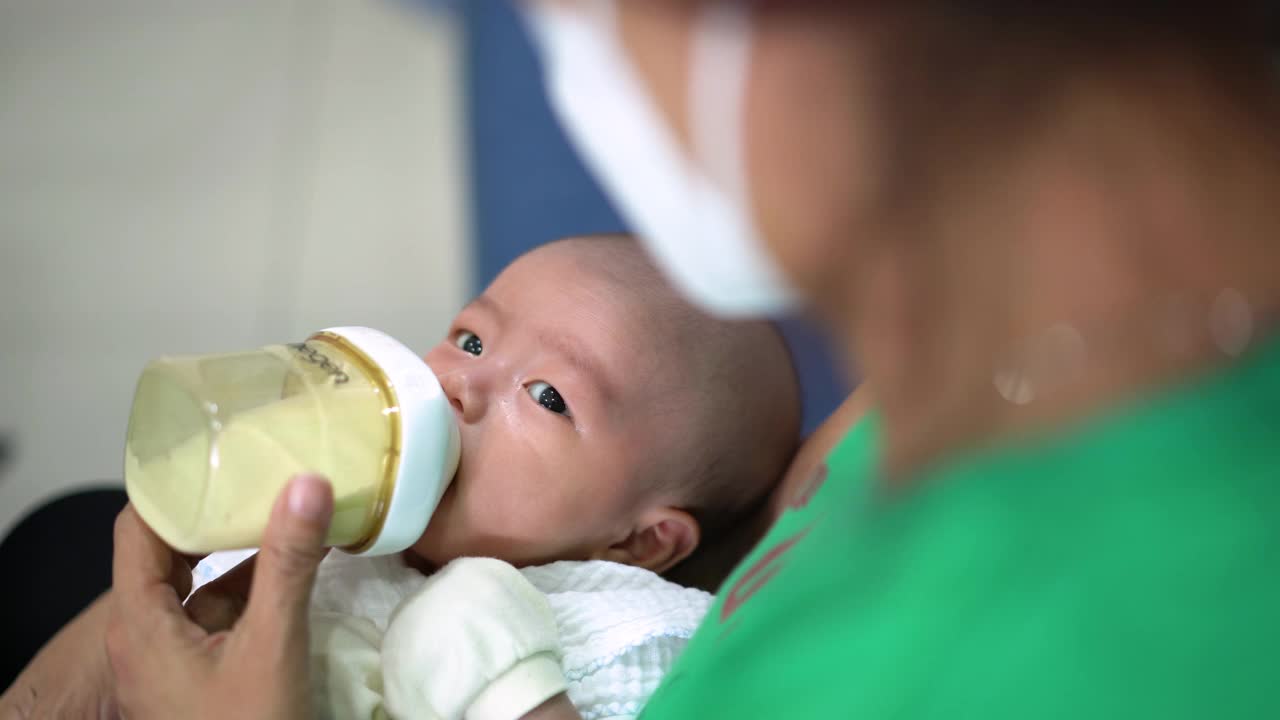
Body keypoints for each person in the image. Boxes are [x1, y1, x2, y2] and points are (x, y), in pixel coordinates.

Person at [10, 1, 1280, 717]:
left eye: (602, 20)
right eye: (467, 337)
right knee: (73, 536)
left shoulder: (1079, 657)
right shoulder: (1038, 339)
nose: (582, 56)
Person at [1, 234, 801, 718]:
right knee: (68, 526)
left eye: (549, 396)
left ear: (639, 542)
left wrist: (514, 691)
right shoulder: (365, 511)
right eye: (473, 339)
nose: (461, 382)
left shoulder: (617, 629)